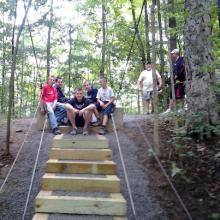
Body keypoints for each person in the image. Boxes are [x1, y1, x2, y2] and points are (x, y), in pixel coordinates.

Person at [165, 48, 185, 113]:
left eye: (173, 53)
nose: (172, 55)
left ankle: (182, 109)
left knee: (181, 94)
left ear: (176, 53)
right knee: (171, 94)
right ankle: (170, 109)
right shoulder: (175, 62)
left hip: (181, 80)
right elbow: (174, 72)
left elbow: (183, 67)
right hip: (174, 81)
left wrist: (178, 74)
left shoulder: (181, 59)